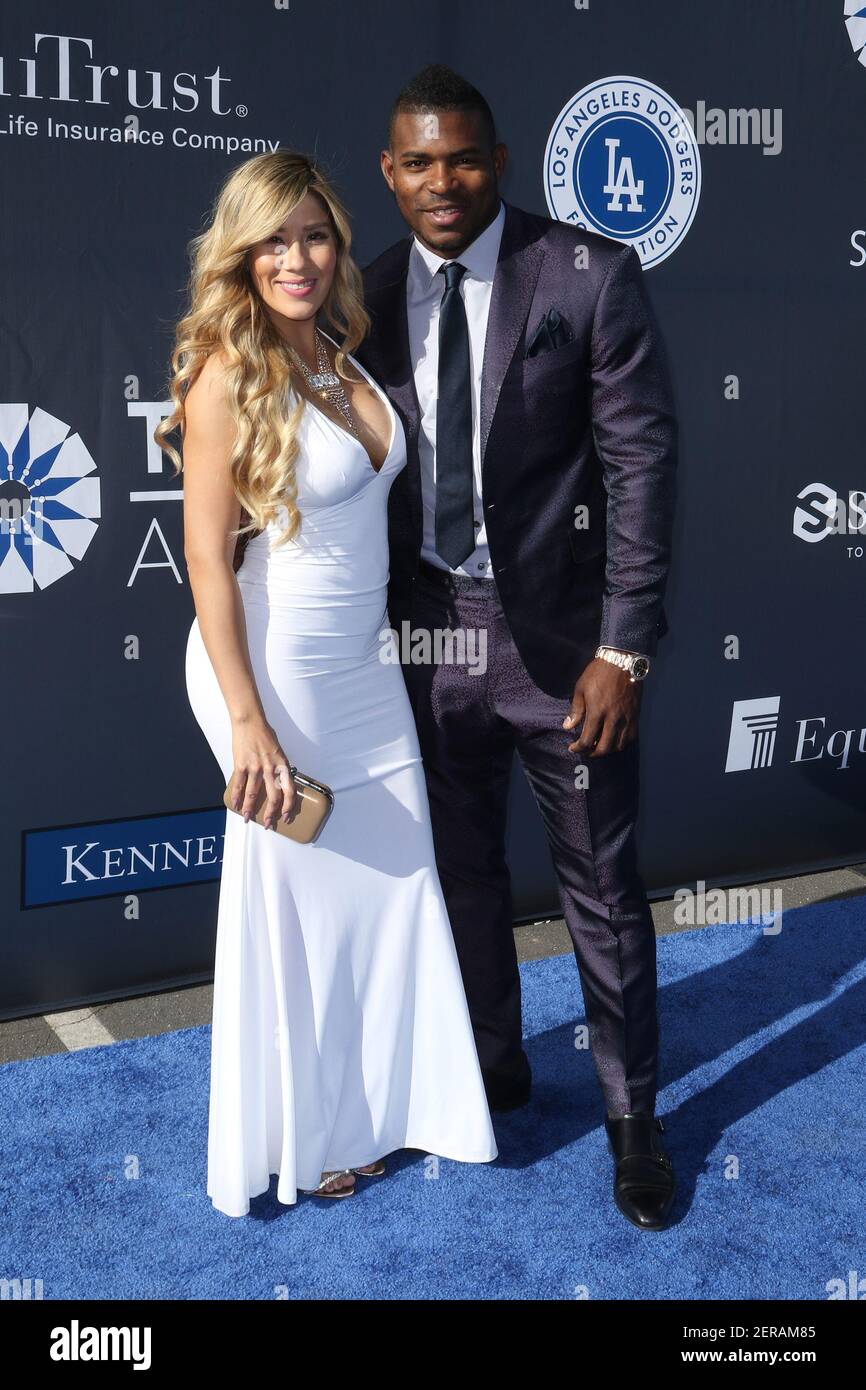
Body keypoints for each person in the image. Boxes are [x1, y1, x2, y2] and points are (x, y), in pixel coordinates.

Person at [354, 65, 678, 1230]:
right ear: (389, 173)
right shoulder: (370, 292)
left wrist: (621, 651)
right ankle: (490, 1069)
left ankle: (632, 1117)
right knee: (463, 876)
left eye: (464, 158)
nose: (443, 182)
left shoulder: (586, 274)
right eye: (418, 163)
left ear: (500, 159)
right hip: (427, 633)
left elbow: (641, 466)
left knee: (598, 882)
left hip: (561, 647)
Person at [154, 150, 497, 1217]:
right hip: (272, 670)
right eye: (272, 240)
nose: (295, 257)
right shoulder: (225, 369)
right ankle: (302, 1141)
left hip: (361, 670)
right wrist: (247, 722)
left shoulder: (343, 357)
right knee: (296, 903)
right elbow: (207, 558)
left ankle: (387, 1111)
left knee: (393, 886)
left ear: (336, 246)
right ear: (242, 257)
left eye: (312, 235)